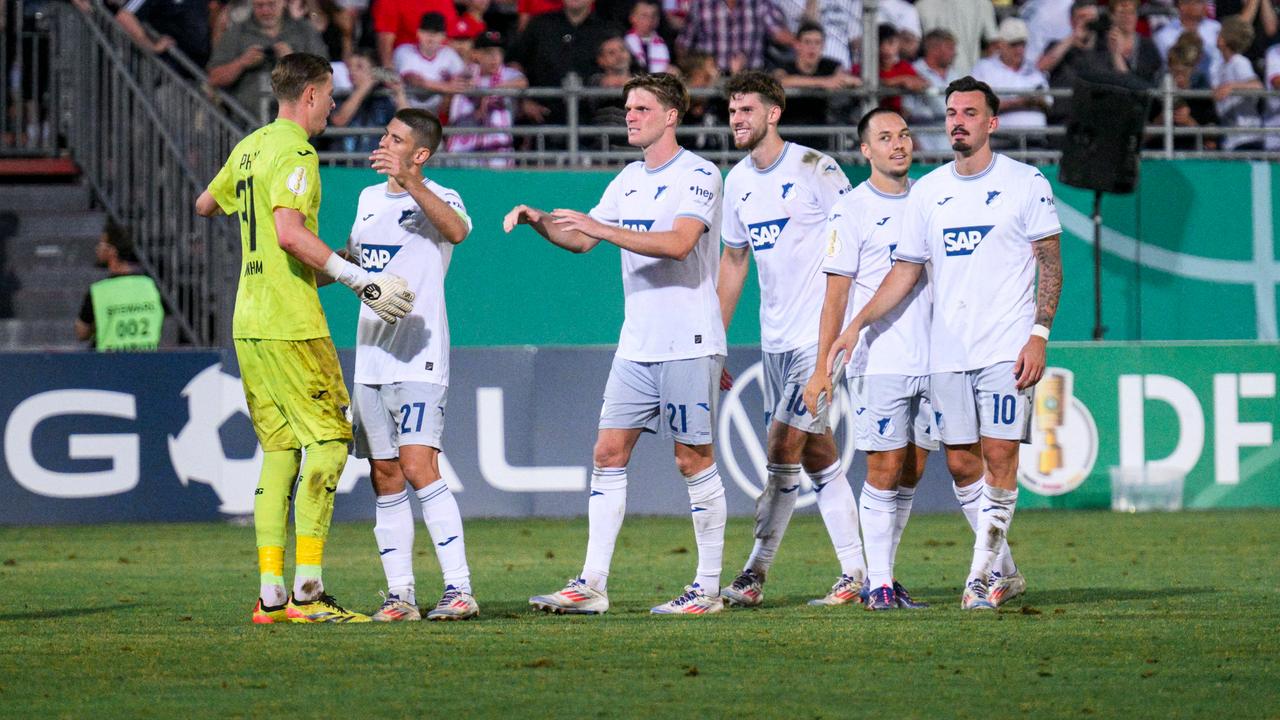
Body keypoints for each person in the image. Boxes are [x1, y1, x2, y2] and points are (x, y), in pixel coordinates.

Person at [823, 76, 1062, 611]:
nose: (957, 120)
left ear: (991, 123)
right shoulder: (929, 191)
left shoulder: (1026, 183)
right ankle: (1005, 571)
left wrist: (1039, 335)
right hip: (948, 356)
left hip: (1006, 348)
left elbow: (1050, 263)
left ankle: (980, 578)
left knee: (1000, 456)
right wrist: (856, 322)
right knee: (960, 464)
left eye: (970, 113)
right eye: (951, 112)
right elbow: (904, 272)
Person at [195, 53, 415, 624]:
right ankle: (310, 594)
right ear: (312, 95)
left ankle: (271, 596)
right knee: (329, 442)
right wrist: (358, 279)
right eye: (332, 95)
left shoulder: (251, 146)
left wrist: (326, 260)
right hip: (292, 322)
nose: (335, 105)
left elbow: (206, 204)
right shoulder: (296, 151)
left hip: (249, 320)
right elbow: (291, 233)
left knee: (279, 449)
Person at [506, 73, 727, 615]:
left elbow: (678, 244)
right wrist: (539, 221)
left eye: (641, 107)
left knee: (692, 458)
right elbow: (581, 237)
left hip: (688, 341)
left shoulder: (699, 174)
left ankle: (708, 586)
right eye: (627, 107)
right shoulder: (628, 178)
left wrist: (604, 230)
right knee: (607, 453)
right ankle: (592, 584)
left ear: (671, 115)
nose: (630, 115)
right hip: (637, 345)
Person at [713, 71, 870, 609]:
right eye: (732, 111)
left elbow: (859, 233)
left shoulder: (814, 168)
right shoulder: (736, 182)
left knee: (782, 446)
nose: (737, 120)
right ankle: (856, 572)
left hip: (818, 338)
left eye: (747, 110)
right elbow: (734, 261)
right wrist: (715, 339)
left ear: (773, 114)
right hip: (774, 341)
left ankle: (754, 572)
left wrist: (849, 330)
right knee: (817, 456)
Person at [800, 108, 935, 611]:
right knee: (882, 466)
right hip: (879, 358)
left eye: (903, 135)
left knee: (912, 471)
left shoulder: (931, 197)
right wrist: (821, 366)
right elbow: (835, 294)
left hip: (935, 356)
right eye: (884, 137)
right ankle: (876, 582)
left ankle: (886, 575)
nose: (897, 144)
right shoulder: (851, 210)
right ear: (865, 150)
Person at [345, 109, 477, 622]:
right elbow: (356, 259)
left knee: (420, 466)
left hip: (420, 358)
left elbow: (458, 231)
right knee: (385, 473)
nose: (383, 143)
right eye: (384, 134)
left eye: (395, 139)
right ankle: (400, 595)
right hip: (371, 358)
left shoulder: (440, 198)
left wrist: (411, 182)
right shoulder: (366, 199)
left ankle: (459, 589)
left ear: (419, 154)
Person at [207, 0, 329, 120]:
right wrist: (242, 63)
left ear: (284, 3)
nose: (265, 11)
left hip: (297, 122)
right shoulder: (236, 33)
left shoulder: (305, 31)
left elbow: (324, 75)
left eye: (271, 4)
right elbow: (214, 77)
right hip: (247, 123)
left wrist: (292, 60)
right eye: (259, 6)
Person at [75, 220, 165, 352]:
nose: (97, 248)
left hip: (110, 365)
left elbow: (81, 333)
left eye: (101, 244)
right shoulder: (150, 285)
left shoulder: (99, 291)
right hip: (147, 361)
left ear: (112, 251)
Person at [446, 30, 527, 165]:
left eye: (499, 52)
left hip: (497, 149)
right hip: (465, 149)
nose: (495, 58)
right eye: (489, 52)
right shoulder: (466, 73)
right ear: (476, 54)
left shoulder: (508, 74)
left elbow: (522, 82)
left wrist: (491, 91)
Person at [972, 18, 1051, 147]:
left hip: (1035, 142)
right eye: (1013, 44)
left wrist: (1038, 101)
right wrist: (1018, 102)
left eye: (1022, 44)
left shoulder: (1034, 70)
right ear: (1000, 45)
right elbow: (977, 107)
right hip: (1001, 142)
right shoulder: (984, 69)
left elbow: (1049, 102)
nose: (1019, 50)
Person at [394, 12, 468, 114]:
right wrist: (445, 87)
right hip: (405, 108)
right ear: (418, 33)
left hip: (437, 110)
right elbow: (412, 79)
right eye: (426, 32)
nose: (431, 37)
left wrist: (456, 84)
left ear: (443, 36)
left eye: (436, 33)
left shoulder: (449, 54)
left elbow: (463, 78)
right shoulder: (404, 51)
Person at [1213, 15, 1265, 151]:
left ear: (1224, 40)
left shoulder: (1239, 62)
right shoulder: (1219, 66)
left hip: (1247, 138)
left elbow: (1258, 86)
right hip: (1230, 138)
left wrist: (1232, 87)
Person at [906, 28, 961, 154]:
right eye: (950, 48)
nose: (955, 53)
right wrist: (913, 144)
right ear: (934, 49)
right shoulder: (913, 72)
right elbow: (905, 113)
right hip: (924, 149)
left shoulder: (955, 75)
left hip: (952, 150)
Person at [625, 0, 671, 73]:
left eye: (654, 16)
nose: (650, 20)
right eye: (644, 15)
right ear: (632, 18)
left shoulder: (668, 42)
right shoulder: (623, 43)